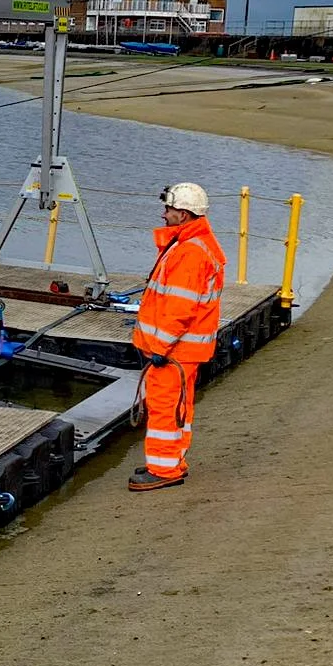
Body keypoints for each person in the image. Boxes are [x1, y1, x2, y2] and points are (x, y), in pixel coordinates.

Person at [129, 181, 227, 491]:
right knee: (178, 407)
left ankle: (163, 469)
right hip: (183, 350)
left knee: (164, 407)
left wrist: (159, 348)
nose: (164, 214)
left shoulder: (190, 253)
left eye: (169, 209)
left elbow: (179, 309)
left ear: (183, 215)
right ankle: (171, 461)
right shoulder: (192, 245)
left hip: (175, 351)